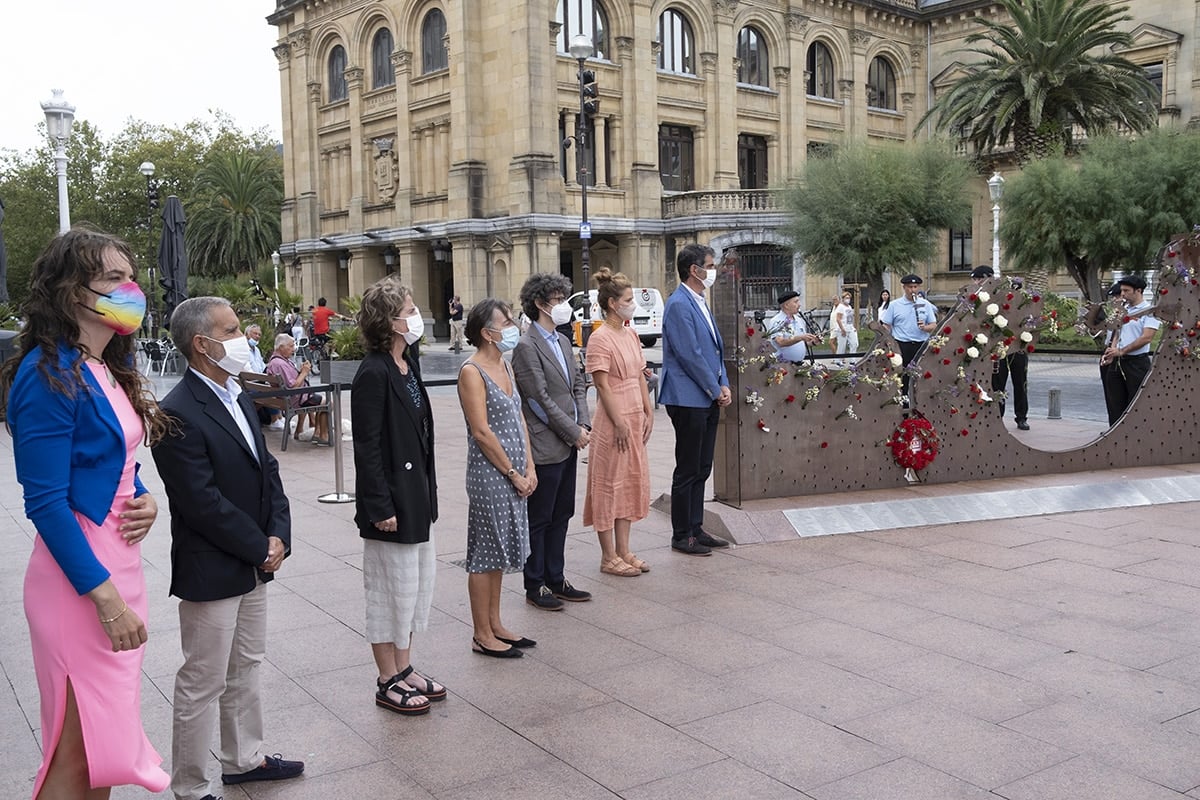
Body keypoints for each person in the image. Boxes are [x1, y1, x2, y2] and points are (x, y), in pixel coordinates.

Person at [3, 229, 170, 799]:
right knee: (75, 757)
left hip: (115, 568)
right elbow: (45, 503)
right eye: (114, 279)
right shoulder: (45, 375)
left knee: (104, 753)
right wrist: (105, 602)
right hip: (80, 585)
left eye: (132, 276)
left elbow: (113, 456)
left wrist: (143, 495)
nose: (132, 290)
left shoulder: (100, 365)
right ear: (73, 292)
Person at [152, 297, 303, 800]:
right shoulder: (175, 412)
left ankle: (243, 759)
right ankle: (190, 787)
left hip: (256, 560)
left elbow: (268, 470)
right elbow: (200, 502)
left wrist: (278, 535)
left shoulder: (236, 393)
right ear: (202, 344)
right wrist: (258, 545)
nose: (244, 338)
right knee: (203, 679)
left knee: (246, 665)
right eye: (233, 329)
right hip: (214, 566)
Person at [352, 277, 446, 715]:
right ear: (388, 321)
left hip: (416, 496)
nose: (416, 316)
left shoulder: (408, 362)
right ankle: (386, 676)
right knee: (388, 592)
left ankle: (405, 668)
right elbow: (367, 446)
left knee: (413, 588)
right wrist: (379, 506)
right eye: (408, 309)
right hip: (390, 502)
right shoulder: (373, 372)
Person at [456, 299, 537, 657]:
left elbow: (520, 419)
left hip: (516, 470)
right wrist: (511, 473)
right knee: (485, 552)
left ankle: (496, 622)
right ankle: (481, 633)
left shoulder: (505, 364)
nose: (512, 326)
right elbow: (481, 431)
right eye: (505, 322)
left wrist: (530, 468)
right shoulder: (472, 372)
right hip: (491, 473)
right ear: (488, 332)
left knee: (501, 549)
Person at [512, 273, 594, 608]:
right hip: (547, 441)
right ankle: (536, 583)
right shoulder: (525, 346)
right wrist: (573, 432)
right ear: (539, 303)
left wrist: (584, 421)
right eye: (558, 299)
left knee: (563, 512)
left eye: (564, 298)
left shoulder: (562, 341)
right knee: (541, 516)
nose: (563, 305)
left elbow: (578, 383)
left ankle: (556, 576)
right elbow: (538, 400)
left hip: (570, 439)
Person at [660, 243, 732, 556]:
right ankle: (681, 534)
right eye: (710, 265)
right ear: (695, 270)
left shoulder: (700, 300)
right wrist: (714, 388)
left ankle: (696, 527)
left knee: (703, 466)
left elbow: (715, 350)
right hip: (688, 397)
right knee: (688, 468)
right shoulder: (678, 304)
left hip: (708, 395)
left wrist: (724, 383)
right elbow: (690, 354)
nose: (713, 271)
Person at [582, 268, 655, 576]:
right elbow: (602, 385)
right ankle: (608, 555)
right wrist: (620, 421)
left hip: (635, 413)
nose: (632, 303)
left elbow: (639, 372)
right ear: (612, 303)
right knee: (608, 483)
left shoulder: (631, 333)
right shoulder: (600, 338)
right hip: (613, 419)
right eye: (627, 299)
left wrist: (647, 409)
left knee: (629, 481)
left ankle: (624, 549)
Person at [968, 266, 1030, 430]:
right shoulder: (979, 299)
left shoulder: (1006, 293)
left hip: (1017, 345)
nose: (976, 282)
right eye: (974, 279)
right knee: (997, 384)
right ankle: (997, 416)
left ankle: (1021, 417)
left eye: (979, 279)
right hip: (996, 347)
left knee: (1020, 382)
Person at [1101, 275, 1160, 425]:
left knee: (1135, 403)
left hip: (1136, 363)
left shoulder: (1149, 311)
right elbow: (1117, 331)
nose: (1122, 295)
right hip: (1117, 361)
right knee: (1115, 402)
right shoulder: (1123, 310)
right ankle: (1113, 435)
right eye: (1121, 291)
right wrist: (1112, 351)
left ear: (1138, 291)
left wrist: (1122, 351)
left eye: (1126, 291)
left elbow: (1146, 337)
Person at [266, 334, 331, 444]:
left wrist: (300, 372)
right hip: (293, 399)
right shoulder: (280, 363)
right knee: (328, 402)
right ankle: (322, 434)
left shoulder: (277, 360)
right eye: (291, 346)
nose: (294, 349)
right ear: (281, 347)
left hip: (285, 398)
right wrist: (304, 373)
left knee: (312, 396)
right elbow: (293, 387)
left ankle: (305, 430)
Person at [879, 274, 937, 397]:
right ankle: (904, 405)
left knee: (921, 376)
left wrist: (925, 327)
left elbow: (933, 325)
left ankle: (920, 405)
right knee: (903, 377)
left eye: (915, 287)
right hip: (902, 345)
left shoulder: (925, 304)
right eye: (910, 287)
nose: (913, 290)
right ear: (904, 287)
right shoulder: (895, 305)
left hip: (921, 344)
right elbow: (886, 325)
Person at [767, 290, 820, 362]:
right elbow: (780, 342)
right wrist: (800, 338)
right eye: (796, 302)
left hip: (798, 364)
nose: (799, 304)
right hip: (783, 366)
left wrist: (813, 342)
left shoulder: (799, 320)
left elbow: (801, 343)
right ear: (786, 305)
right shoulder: (776, 321)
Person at [832, 289, 859, 356]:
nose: (848, 299)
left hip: (850, 328)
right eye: (846, 298)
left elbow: (850, 318)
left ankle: (852, 360)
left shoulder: (849, 307)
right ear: (843, 299)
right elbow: (838, 319)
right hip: (843, 329)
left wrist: (853, 327)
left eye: (849, 298)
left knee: (854, 344)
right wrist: (842, 329)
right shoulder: (841, 307)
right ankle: (838, 361)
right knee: (842, 346)